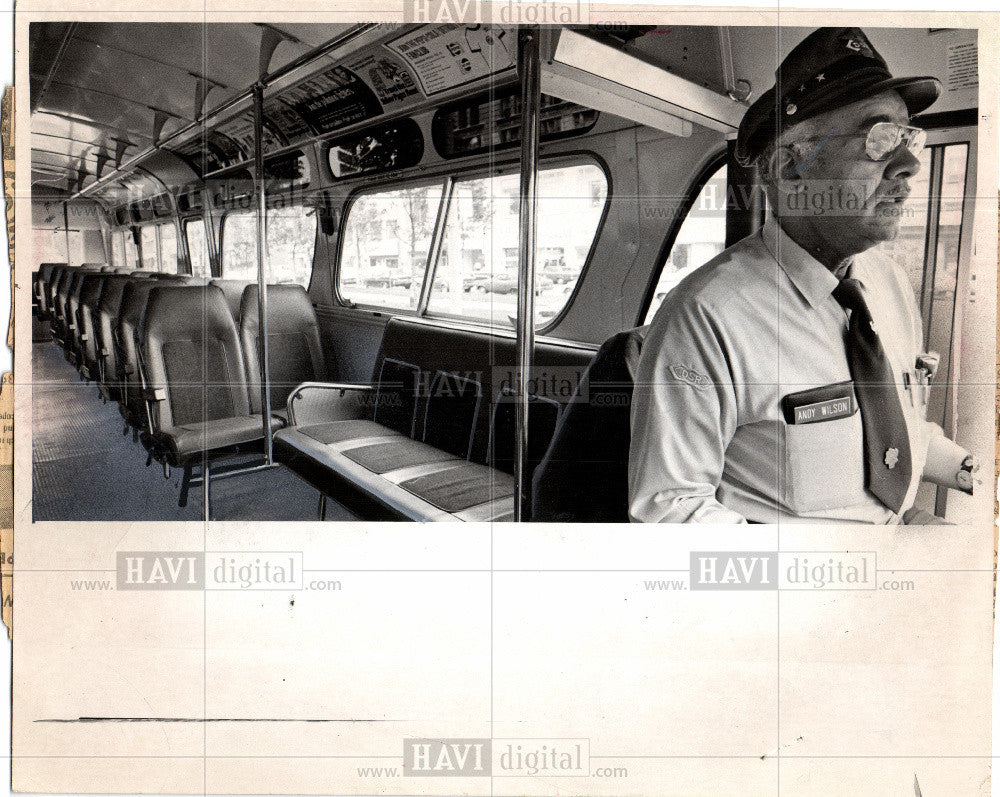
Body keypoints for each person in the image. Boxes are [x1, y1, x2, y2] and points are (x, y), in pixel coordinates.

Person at [628, 27, 978, 524]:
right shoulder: (706, 315)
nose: (909, 164)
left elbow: (890, 430)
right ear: (791, 170)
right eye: (880, 139)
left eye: (909, 137)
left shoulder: (889, 283)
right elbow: (670, 510)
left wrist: (969, 468)